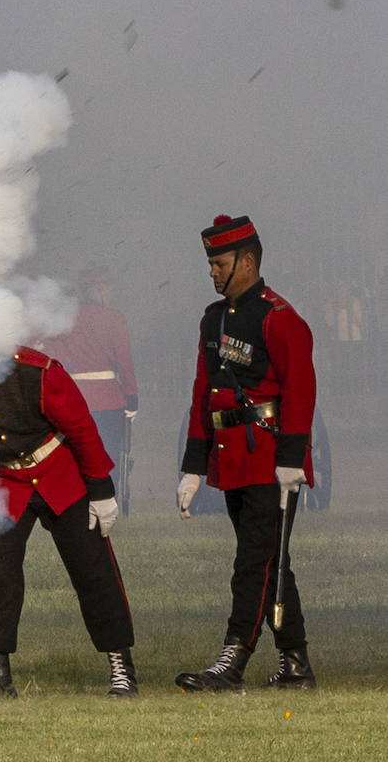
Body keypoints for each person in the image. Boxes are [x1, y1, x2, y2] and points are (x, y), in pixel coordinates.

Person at [175, 215, 317, 691]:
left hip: (271, 458)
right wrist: (193, 468)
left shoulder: (280, 318)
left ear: (248, 260)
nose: (212, 272)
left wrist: (292, 460)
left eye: (219, 263)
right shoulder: (212, 319)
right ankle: (295, 664)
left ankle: (232, 659)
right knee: (272, 561)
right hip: (231, 456)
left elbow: (300, 390)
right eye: (210, 263)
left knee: (253, 562)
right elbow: (203, 393)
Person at [0, 346, 138, 699]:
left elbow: (81, 429)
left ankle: (121, 666)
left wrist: (101, 489)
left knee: (93, 570)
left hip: (61, 475)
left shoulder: (39, 371)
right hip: (3, 481)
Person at [41, 266, 139, 510]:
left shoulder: (65, 320)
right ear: (98, 290)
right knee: (109, 456)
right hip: (108, 400)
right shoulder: (114, 318)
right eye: (108, 288)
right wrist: (132, 398)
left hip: (74, 398)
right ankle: (108, 501)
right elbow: (124, 361)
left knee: (75, 456)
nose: (112, 293)